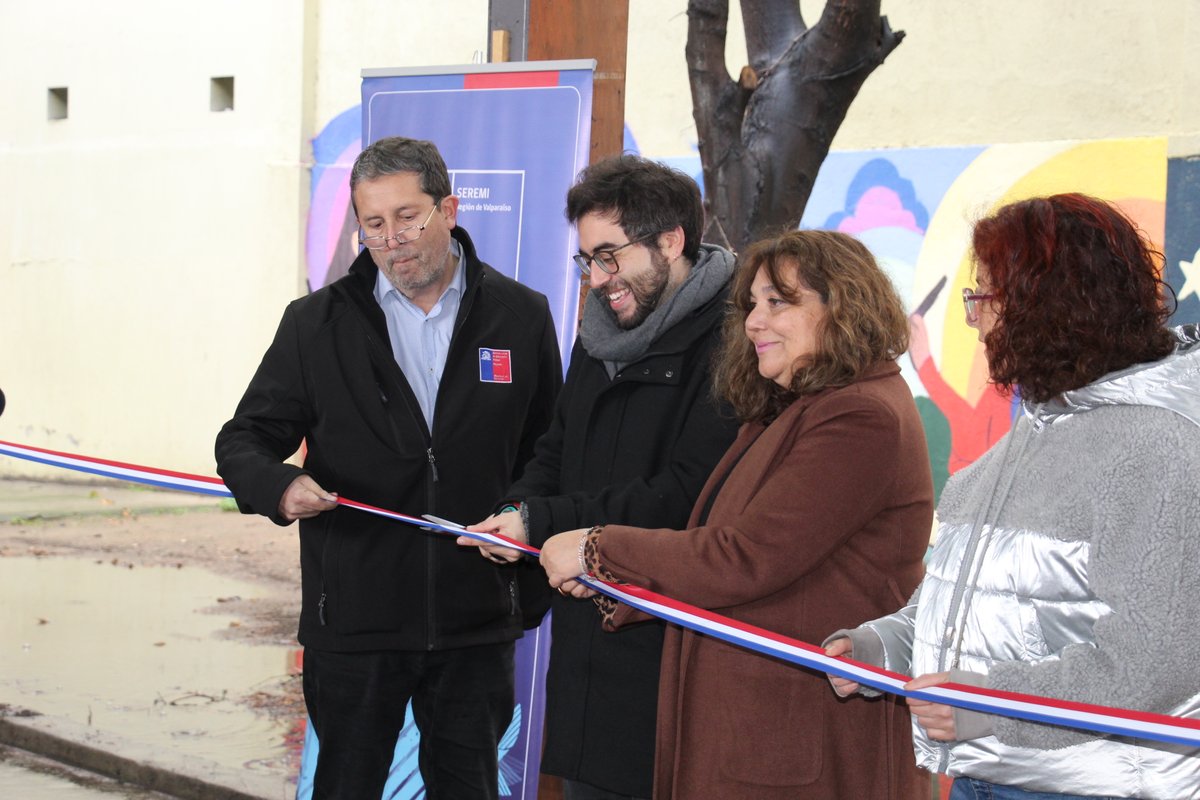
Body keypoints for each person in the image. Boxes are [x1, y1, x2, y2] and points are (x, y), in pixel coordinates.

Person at [215, 136, 562, 799]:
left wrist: (522, 533)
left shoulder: (521, 316)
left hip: (475, 623)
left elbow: (549, 453)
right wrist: (280, 486)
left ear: (449, 209)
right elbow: (243, 441)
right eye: (373, 223)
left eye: (407, 217)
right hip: (354, 623)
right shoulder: (316, 325)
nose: (392, 238)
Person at [824, 193, 1200, 800]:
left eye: (985, 296)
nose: (974, 319)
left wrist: (992, 705)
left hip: (1096, 785)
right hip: (992, 772)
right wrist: (885, 646)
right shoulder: (1036, 431)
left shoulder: (1157, 445)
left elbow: (1157, 659)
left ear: (1047, 305)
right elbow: (973, 604)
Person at [539, 229, 934, 799]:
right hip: (764, 730)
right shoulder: (796, 406)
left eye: (778, 302)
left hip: (805, 740)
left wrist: (597, 550)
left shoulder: (859, 416)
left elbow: (748, 557)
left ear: (842, 306)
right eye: (752, 304)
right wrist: (619, 585)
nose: (753, 322)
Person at [460, 155, 740, 799]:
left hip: (670, 650)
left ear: (670, 240)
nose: (597, 278)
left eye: (610, 255)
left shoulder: (733, 341)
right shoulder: (602, 333)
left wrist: (544, 522)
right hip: (587, 642)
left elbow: (690, 491)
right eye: (587, 260)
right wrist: (518, 513)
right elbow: (558, 449)